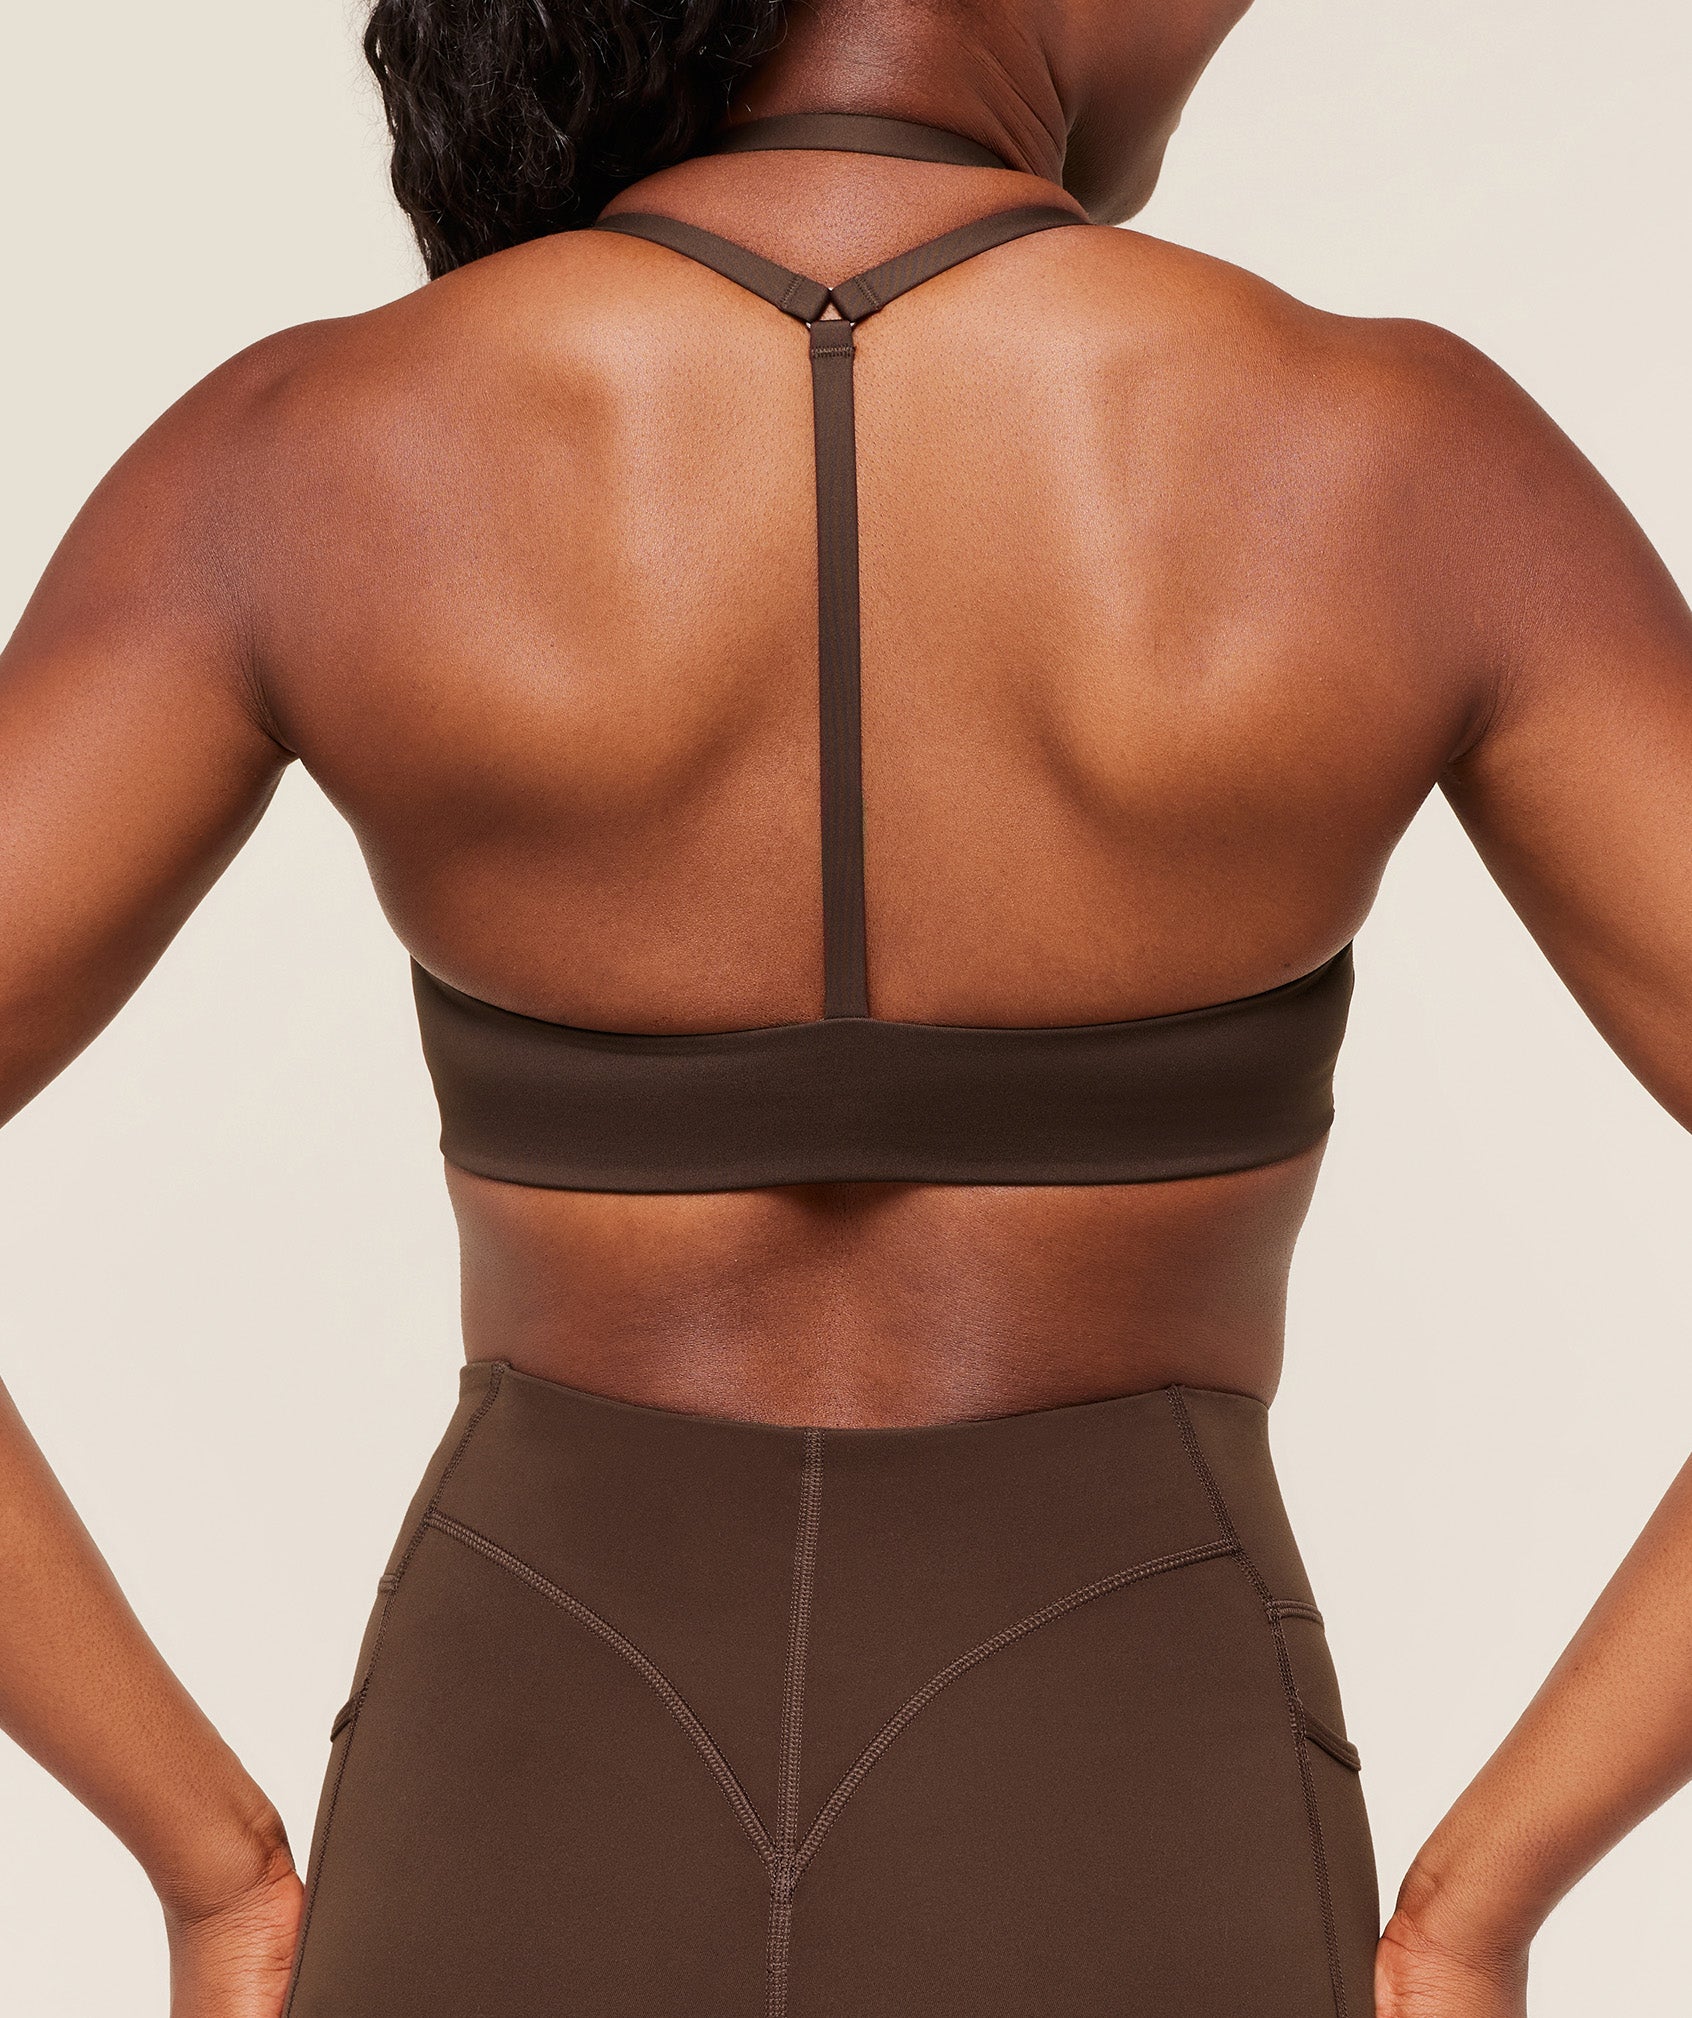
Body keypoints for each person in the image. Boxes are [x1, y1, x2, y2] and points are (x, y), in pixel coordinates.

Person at [2, 0, 1690, 2012]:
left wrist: (209, 1863)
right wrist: (1484, 1903)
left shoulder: (302, 454)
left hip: (508, 1788)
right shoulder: (1402, 462)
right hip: (1145, 1809)